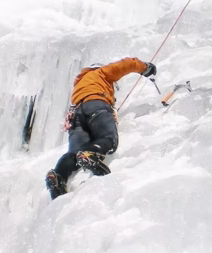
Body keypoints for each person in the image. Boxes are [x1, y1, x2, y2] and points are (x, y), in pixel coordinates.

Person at [45, 58, 156, 199]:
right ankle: (91, 154)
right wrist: (145, 67)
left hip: (76, 114)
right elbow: (127, 64)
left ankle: (59, 176)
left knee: (74, 152)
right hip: (96, 105)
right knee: (109, 138)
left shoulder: (80, 84)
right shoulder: (102, 72)